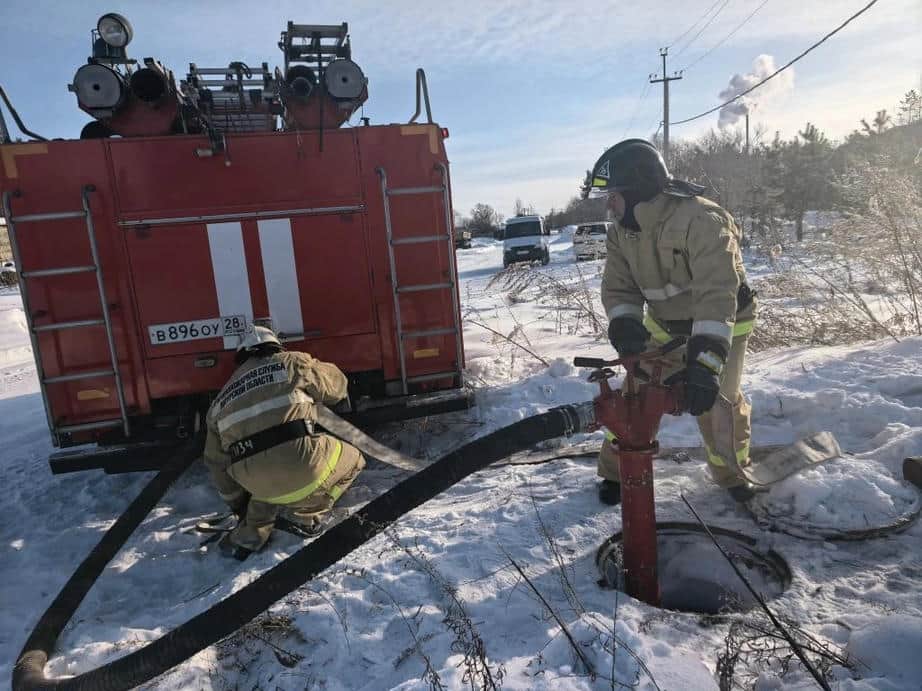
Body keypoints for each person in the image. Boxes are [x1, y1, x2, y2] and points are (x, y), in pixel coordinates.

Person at [588, 139, 757, 504]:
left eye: (613, 195)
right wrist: (625, 325)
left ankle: (732, 475)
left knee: (718, 402)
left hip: (722, 323)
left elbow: (716, 296)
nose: (608, 204)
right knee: (634, 396)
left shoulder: (702, 219)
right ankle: (618, 471)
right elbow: (619, 289)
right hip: (666, 325)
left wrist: (706, 364)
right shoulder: (621, 232)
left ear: (635, 192)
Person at [203, 325, 365, 559]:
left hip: (254, 482)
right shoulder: (293, 362)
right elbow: (337, 388)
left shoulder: (220, 399)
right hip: (301, 464)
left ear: (241, 356)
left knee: (264, 485)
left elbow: (215, 462)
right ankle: (309, 514)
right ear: (275, 346)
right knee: (355, 459)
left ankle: (252, 532)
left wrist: (237, 505)